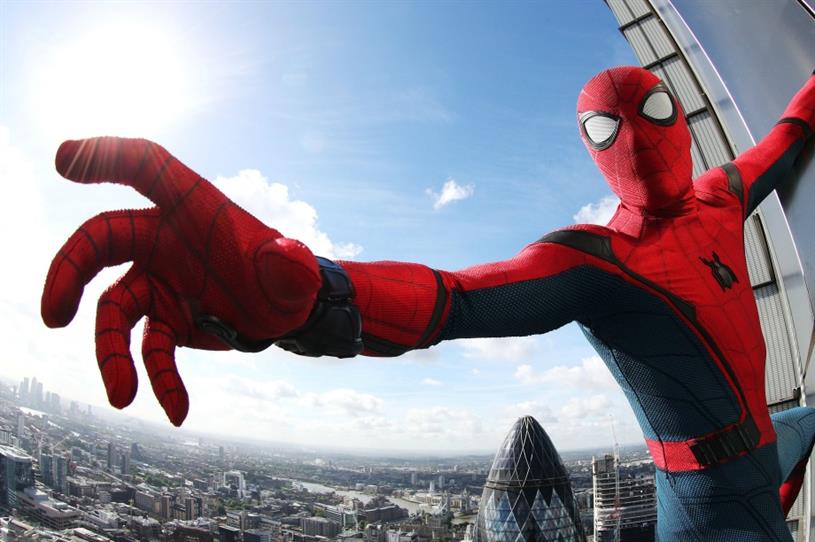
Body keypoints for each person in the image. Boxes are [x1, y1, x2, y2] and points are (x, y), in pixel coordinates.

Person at [42, 66, 814, 539]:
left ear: (675, 117)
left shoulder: (721, 195)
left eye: (649, 113)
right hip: (710, 507)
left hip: (754, 450)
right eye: (607, 127)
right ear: (591, 148)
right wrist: (321, 294)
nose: (637, 137)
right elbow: (459, 298)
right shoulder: (595, 260)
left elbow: (787, 131)